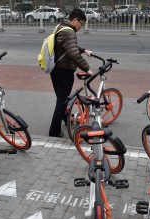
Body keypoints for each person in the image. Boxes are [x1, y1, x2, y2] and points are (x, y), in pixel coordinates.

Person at [49, 8, 93, 137]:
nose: (81, 27)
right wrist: (87, 68)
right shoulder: (70, 32)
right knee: (62, 101)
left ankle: (65, 119)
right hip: (64, 71)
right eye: (81, 23)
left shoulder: (61, 27)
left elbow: (68, 46)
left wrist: (84, 50)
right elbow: (73, 53)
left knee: (61, 99)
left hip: (55, 69)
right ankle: (54, 131)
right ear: (75, 20)